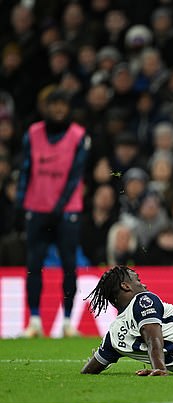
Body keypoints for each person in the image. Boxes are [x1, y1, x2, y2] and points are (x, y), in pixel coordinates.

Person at [16, 89, 90, 337]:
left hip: (66, 211)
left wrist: (57, 208)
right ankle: (35, 320)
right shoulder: (33, 134)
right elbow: (26, 170)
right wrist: (20, 202)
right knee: (33, 264)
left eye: (62, 105)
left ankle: (68, 322)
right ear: (45, 107)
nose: (58, 110)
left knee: (69, 265)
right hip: (37, 208)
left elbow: (75, 176)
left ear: (68, 108)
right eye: (54, 105)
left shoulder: (78, 136)